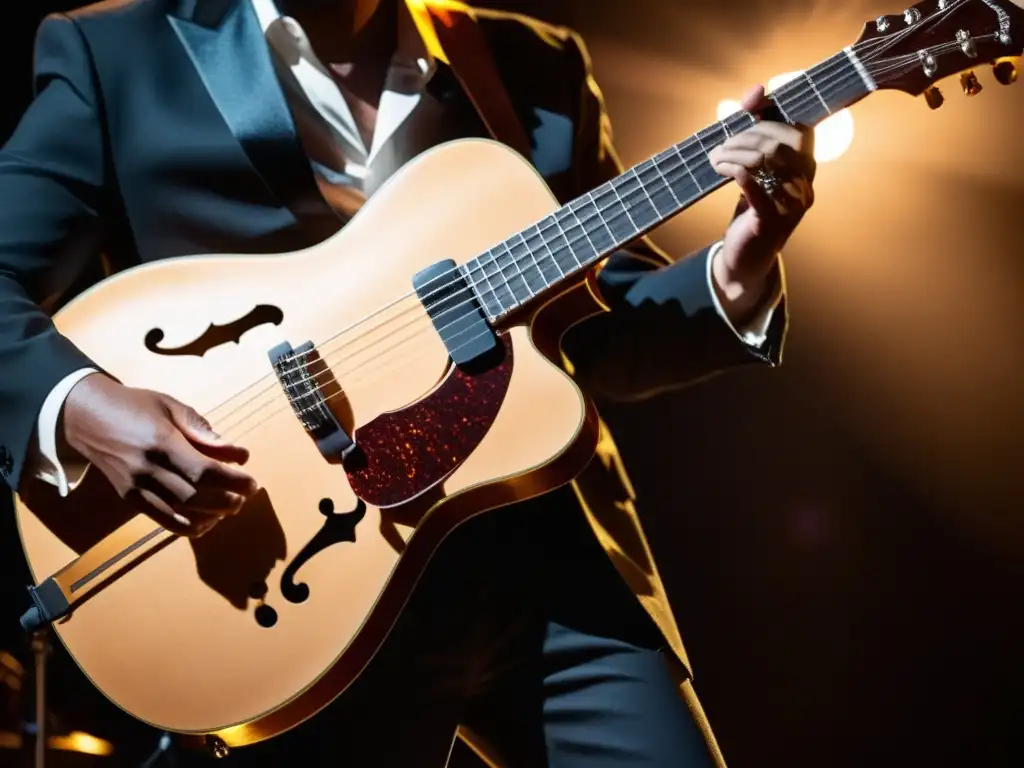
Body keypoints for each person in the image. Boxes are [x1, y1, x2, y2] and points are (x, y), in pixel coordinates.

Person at [0, 0, 815, 765]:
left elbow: (595, 331)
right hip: (297, 590)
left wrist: (741, 265)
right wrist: (78, 407)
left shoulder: (528, 65)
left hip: (537, 567)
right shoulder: (117, 53)